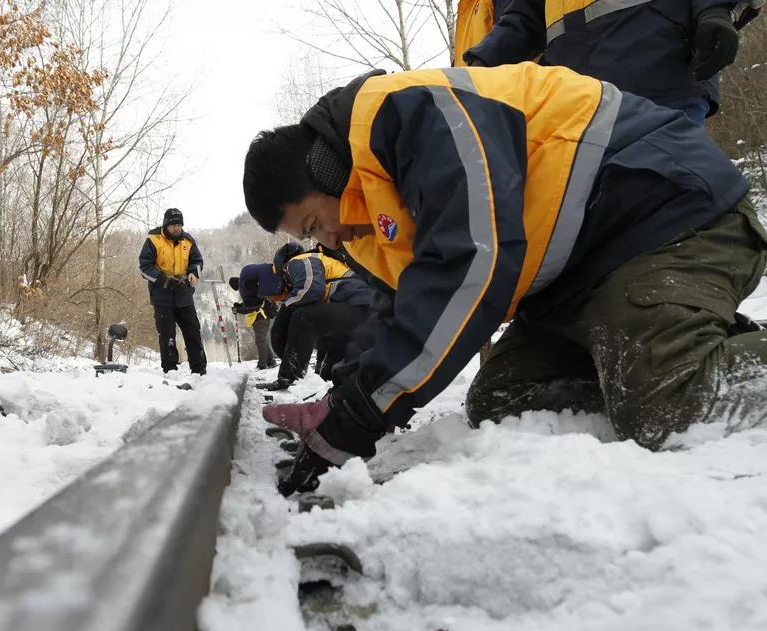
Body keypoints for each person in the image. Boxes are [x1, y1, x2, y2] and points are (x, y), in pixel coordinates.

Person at [242, 64, 767, 496]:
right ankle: (661, 348)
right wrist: (343, 399)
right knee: (502, 399)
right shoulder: (366, 218)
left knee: (665, 407)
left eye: (313, 223)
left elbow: (471, 264)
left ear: (324, 169)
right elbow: (406, 311)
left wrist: (362, 412)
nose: (327, 240)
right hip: (575, 283)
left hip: (665, 217)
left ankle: (664, 362)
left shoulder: (412, 113)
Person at [462, 0, 762, 126]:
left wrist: (715, 9)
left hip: (658, 77)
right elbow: (524, 17)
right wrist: (480, 63)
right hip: (574, 103)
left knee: (663, 218)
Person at [253, 242, 374, 392]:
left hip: (358, 305)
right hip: (365, 311)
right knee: (329, 366)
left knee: (303, 317)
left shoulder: (298, 261)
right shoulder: (321, 261)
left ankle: (288, 377)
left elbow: (311, 289)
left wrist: (287, 306)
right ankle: (327, 384)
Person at [138, 208, 207, 375]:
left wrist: (193, 273)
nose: (177, 228)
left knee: (192, 331)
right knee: (167, 334)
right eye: (174, 225)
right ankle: (170, 370)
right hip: (162, 292)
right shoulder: (153, 240)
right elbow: (144, 267)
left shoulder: (188, 240)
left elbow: (197, 261)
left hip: (184, 291)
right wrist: (164, 279)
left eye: (179, 224)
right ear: (166, 224)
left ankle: (199, 369)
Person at [229, 268, 278, 370]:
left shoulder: (248, 289)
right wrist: (239, 306)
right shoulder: (249, 287)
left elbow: (251, 306)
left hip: (261, 316)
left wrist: (239, 309)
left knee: (260, 340)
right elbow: (250, 303)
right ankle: (270, 361)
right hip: (262, 316)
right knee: (262, 339)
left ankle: (262, 365)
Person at [453, 0, 514, 66]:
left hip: (493, 73)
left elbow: (513, 29)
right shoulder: (465, 7)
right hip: (471, 73)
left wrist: (480, 60)